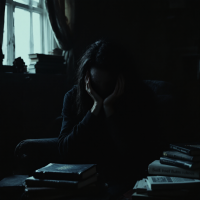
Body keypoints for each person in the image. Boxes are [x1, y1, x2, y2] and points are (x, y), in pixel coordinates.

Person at [57, 39, 159, 196]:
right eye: (96, 85)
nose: (102, 91)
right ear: (87, 79)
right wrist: (95, 109)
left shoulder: (141, 97)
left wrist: (109, 111)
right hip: (83, 180)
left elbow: (136, 157)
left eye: (109, 85)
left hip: (124, 180)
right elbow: (65, 151)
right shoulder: (72, 97)